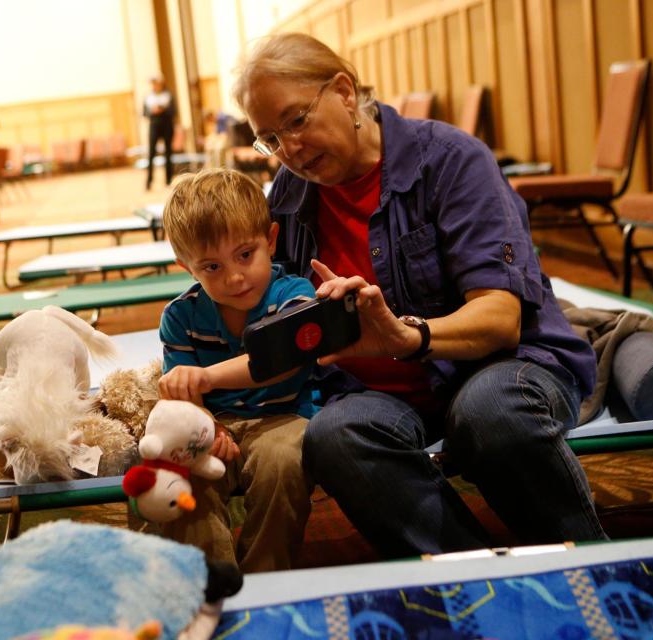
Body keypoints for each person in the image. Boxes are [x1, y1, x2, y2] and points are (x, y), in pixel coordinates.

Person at [231, 33, 607, 559]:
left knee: (489, 414)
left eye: (296, 120)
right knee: (334, 436)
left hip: (503, 366)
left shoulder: (451, 160)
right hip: (375, 395)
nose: (289, 150)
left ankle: (595, 570)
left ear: (343, 91)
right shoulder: (289, 197)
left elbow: (501, 319)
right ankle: (474, 582)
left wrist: (409, 337)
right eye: (269, 138)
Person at [154, 167, 317, 572]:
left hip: (284, 418)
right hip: (216, 424)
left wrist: (207, 377)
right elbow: (184, 398)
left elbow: (280, 362)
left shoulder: (293, 296)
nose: (235, 276)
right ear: (187, 268)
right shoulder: (180, 316)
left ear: (271, 240)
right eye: (211, 267)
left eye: (246, 255)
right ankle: (210, 577)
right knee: (181, 473)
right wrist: (208, 427)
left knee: (282, 462)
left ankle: (266, 575)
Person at [143, 74, 176, 190]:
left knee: (168, 154)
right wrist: (153, 112)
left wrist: (162, 110)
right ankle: (149, 181)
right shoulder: (148, 97)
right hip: (154, 126)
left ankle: (168, 180)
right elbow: (144, 113)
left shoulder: (168, 95)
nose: (154, 86)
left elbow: (173, 112)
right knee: (151, 153)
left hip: (167, 126)